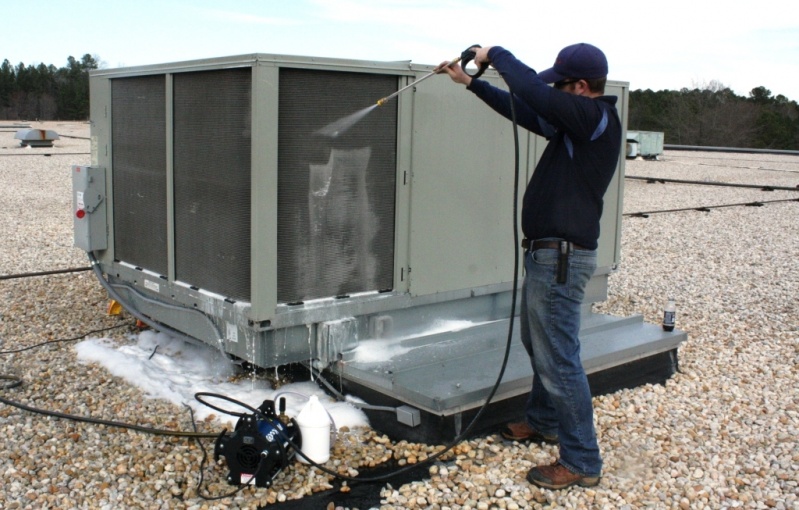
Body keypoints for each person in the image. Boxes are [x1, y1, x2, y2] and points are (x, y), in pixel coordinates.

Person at [439, 43, 621, 490]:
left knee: (559, 356)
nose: (553, 91)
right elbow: (521, 106)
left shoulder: (594, 120)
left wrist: (494, 53)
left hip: (562, 256)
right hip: (548, 254)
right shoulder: (573, 127)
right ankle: (543, 421)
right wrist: (472, 84)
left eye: (560, 84)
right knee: (540, 342)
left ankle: (581, 460)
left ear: (580, 87)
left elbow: (530, 91)